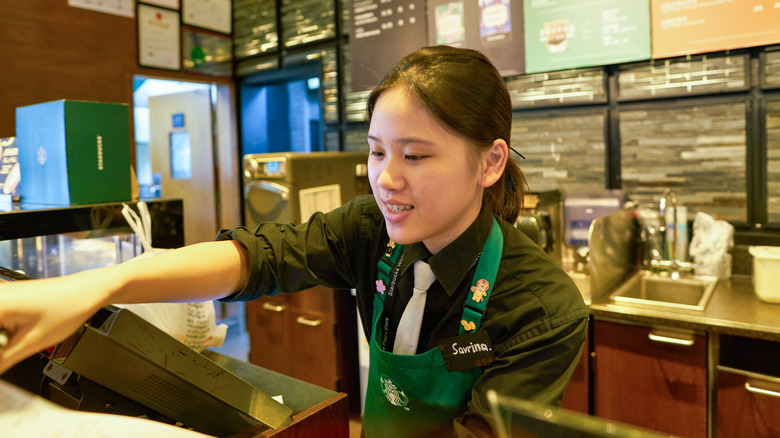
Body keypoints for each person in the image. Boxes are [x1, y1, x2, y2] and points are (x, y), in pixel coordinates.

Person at [0, 45, 587, 437]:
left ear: (489, 163)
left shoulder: (542, 309)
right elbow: (260, 257)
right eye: (378, 151)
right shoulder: (369, 231)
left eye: (415, 155)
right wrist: (102, 284)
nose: (386, 178)